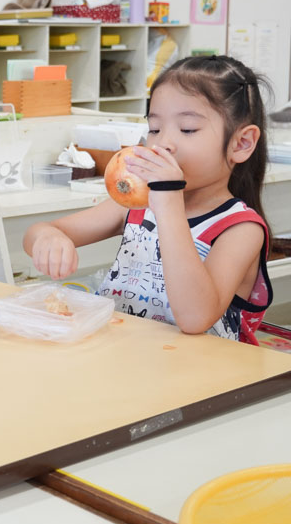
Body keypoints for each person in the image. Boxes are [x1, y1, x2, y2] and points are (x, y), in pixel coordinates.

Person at [23, 55, 272, 343]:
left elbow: (194, 319)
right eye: (154, 129)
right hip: (131, 359)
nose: (162, 142)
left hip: (201, 375)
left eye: (188, 129)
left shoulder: (240, 229)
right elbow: (37, 232)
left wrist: (168, 205)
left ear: (241, 144)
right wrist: (48, 239)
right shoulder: (137, 205)